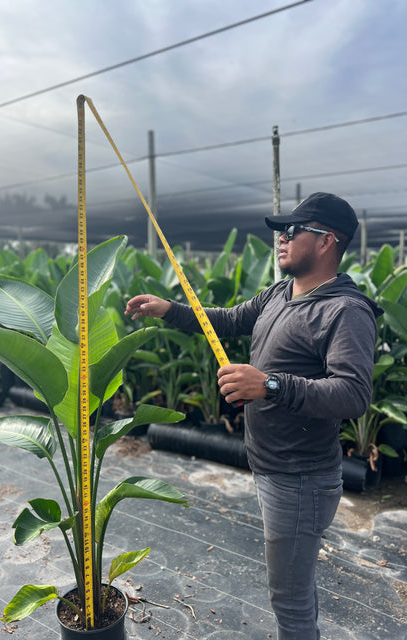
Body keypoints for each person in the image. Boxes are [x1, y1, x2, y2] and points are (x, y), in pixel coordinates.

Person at [125, 192, 383, 640]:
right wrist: (170, 310)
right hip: (270, 466)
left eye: (293, 230)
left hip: (301, 478)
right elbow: (227, 319)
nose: (281, 238)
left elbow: (353, 394)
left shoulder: (345, 311)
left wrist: (270, 384)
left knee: (290, 600)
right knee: (294, 588)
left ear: (327, 242)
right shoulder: (281, 293)